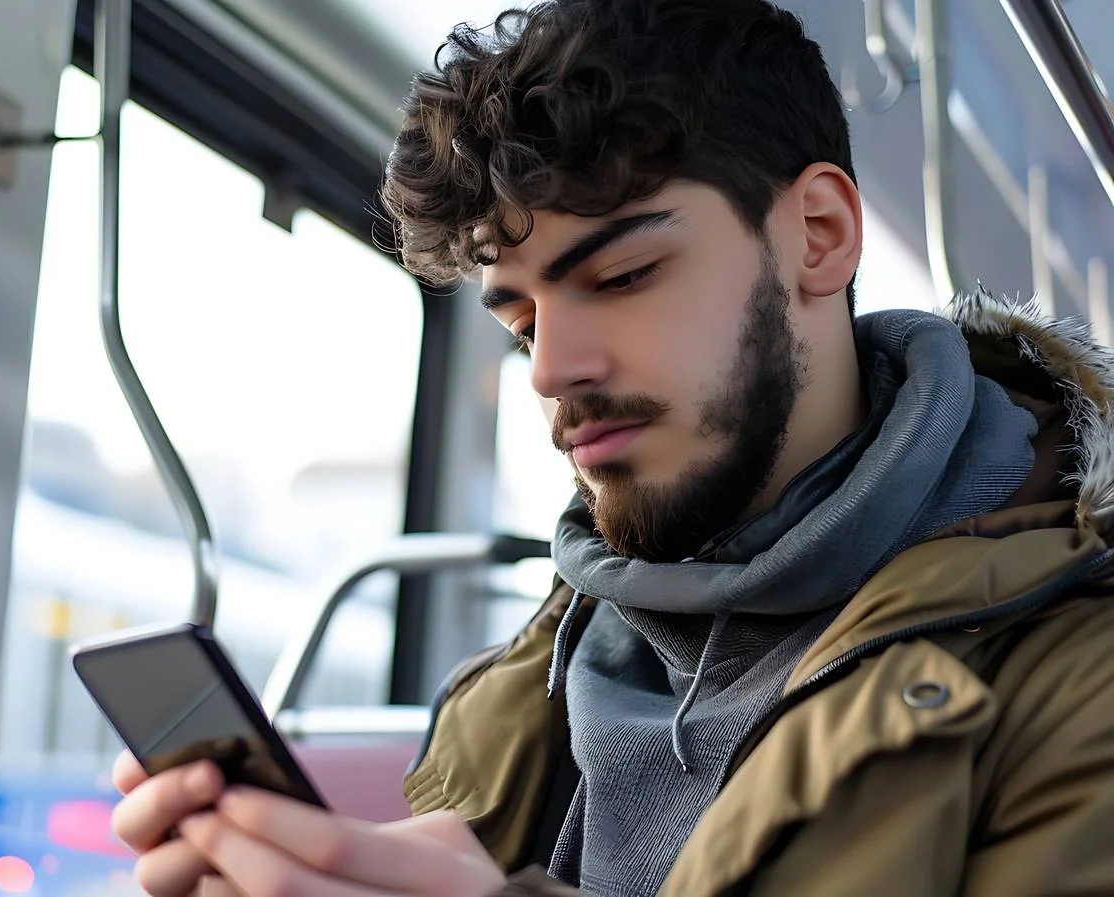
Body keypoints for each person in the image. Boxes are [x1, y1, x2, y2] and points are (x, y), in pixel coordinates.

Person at [108, 0, 1114, 894]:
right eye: (519, 322)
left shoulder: (1078, 687)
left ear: (816, 234)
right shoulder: (511, 693)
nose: (551, 370)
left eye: (624, 276)